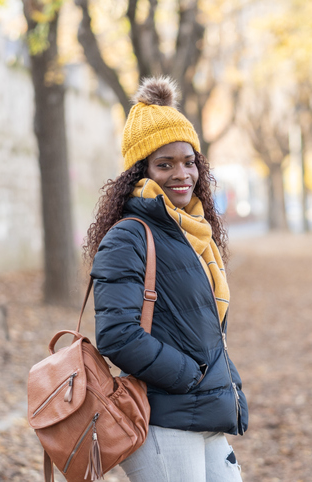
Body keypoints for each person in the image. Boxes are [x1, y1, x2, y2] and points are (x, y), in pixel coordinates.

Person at [82, 76, 248, 482]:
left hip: (205, 412)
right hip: (162, 419)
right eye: (165, 164)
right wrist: (189, 375)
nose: (182, 173)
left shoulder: (193, 232)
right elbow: (117, 334)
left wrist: (229, 386)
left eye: (189, 161)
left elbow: (203, 330)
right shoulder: (129, 236)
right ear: (141, 171)